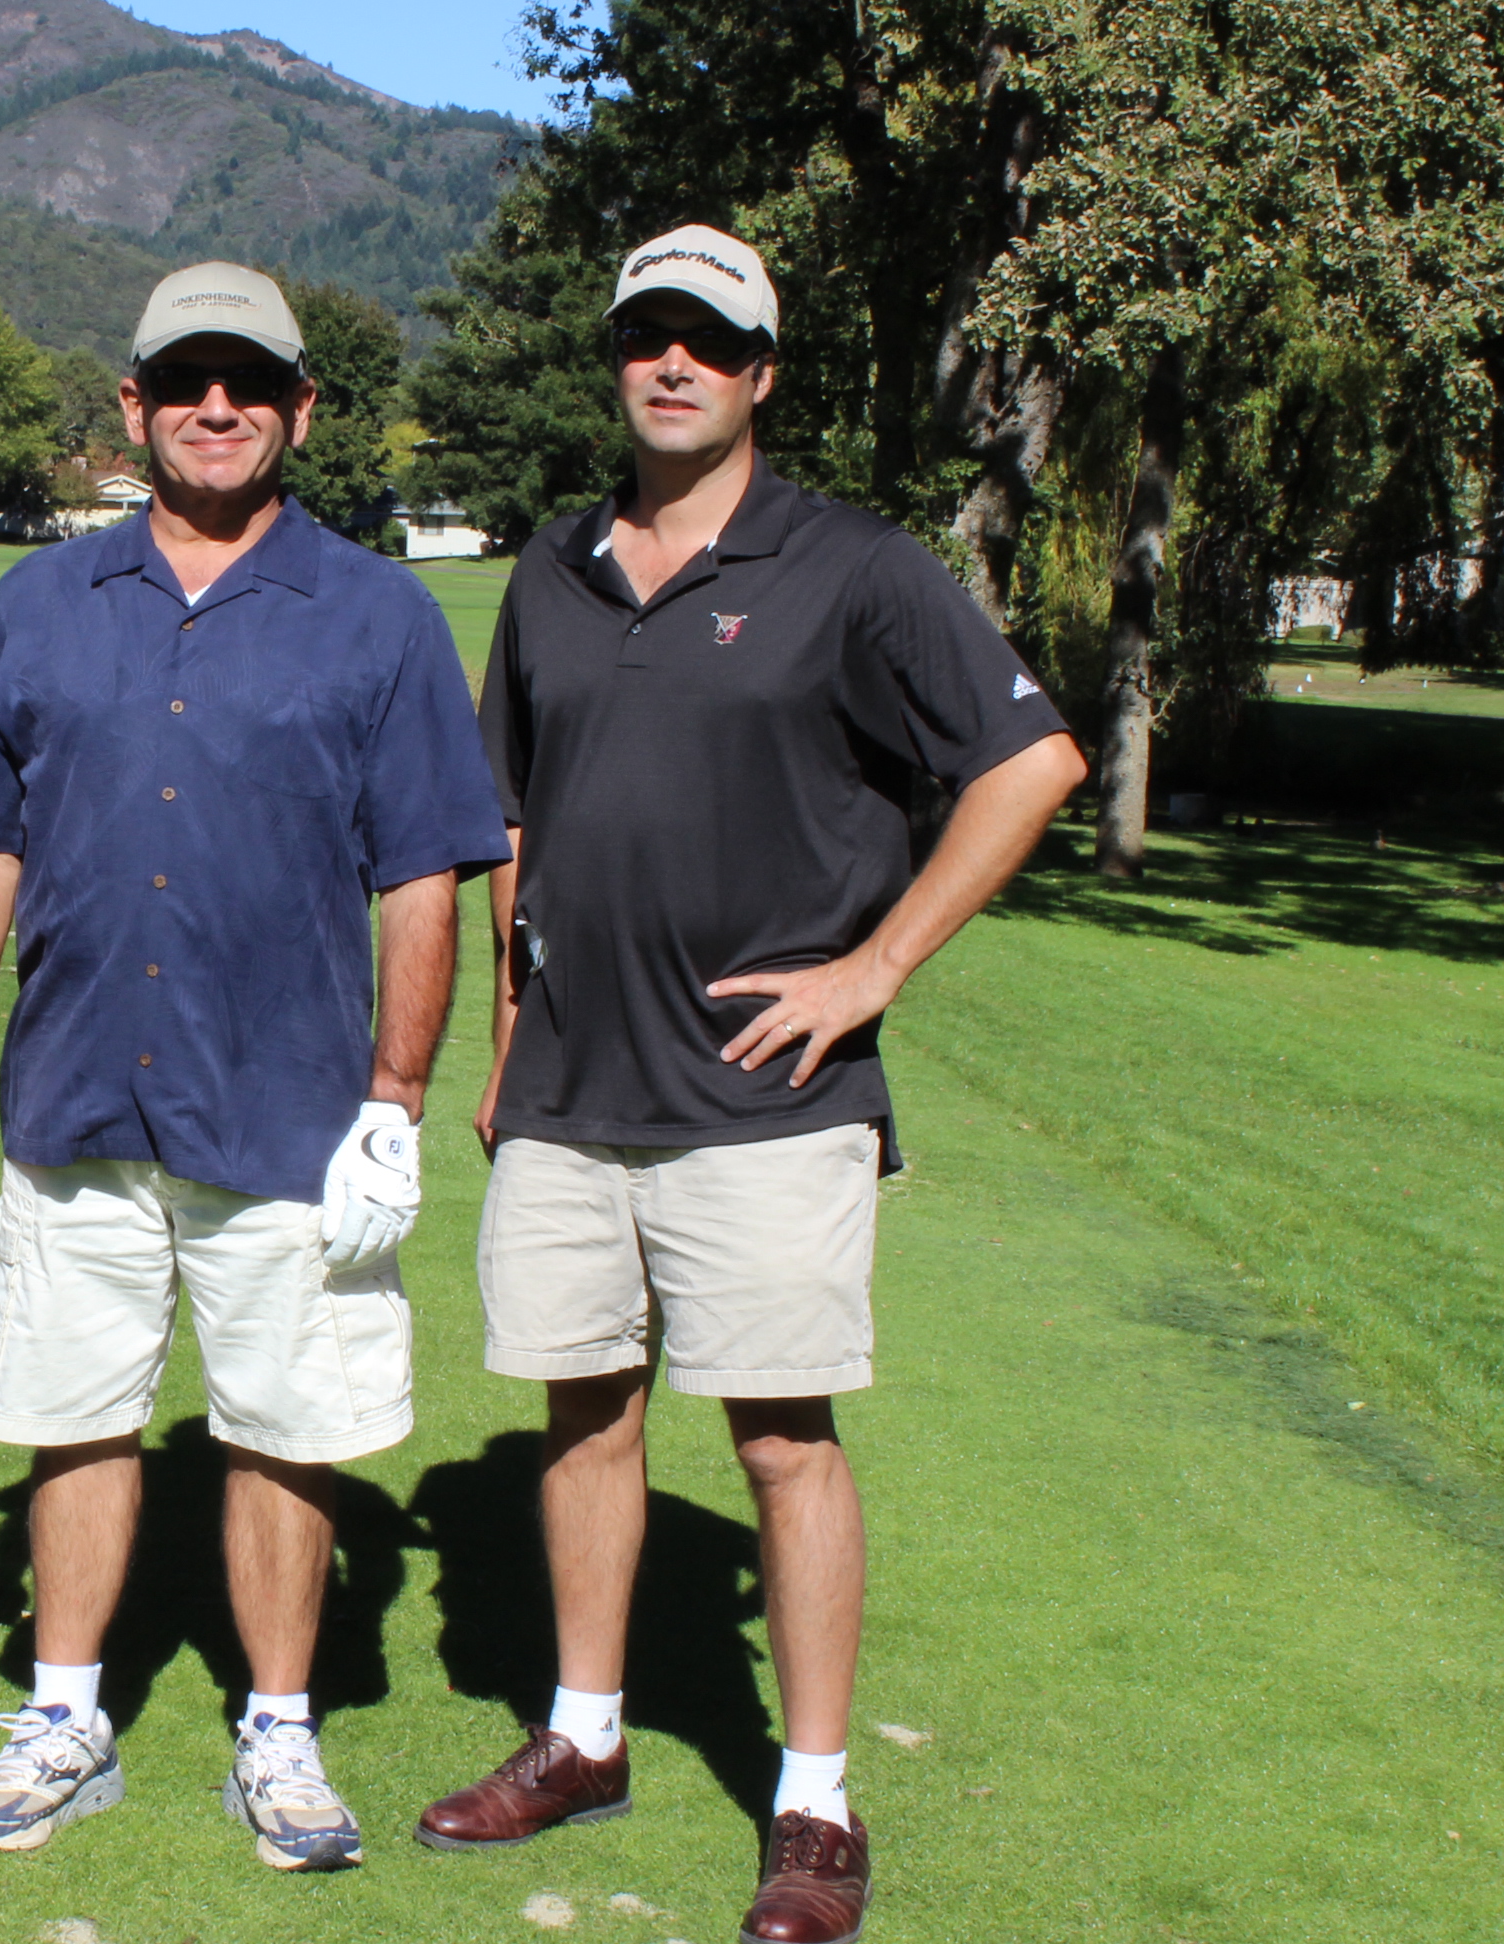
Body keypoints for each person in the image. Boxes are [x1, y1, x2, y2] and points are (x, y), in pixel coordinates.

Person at [411, 225, 1088, 1944]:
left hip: (766, 1096)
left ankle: (815, 1799)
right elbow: (515, 816)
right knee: (584, 1413)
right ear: (617, 358)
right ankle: (584, 1737)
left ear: (761, 373)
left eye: (709, 341)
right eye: (648, 334)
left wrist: (875, 970)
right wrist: (509, 1029)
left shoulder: (854, 566)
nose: (674, 364)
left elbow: (1033, 761)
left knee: (783, 1442)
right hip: (571, 1089)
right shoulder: (554, 567)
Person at [0, 261, 512, 1874]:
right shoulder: (41, 602)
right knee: (73, 1414)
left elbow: (424, 874)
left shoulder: (380, 613)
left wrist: (397, 1099)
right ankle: (64, 1715)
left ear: (301, 407)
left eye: (248, 382)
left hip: (289, 1110)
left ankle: (280, 1731)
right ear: (134, 405)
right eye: (185, 380)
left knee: (285, 1428)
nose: (216, 407)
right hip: (76, 1094)